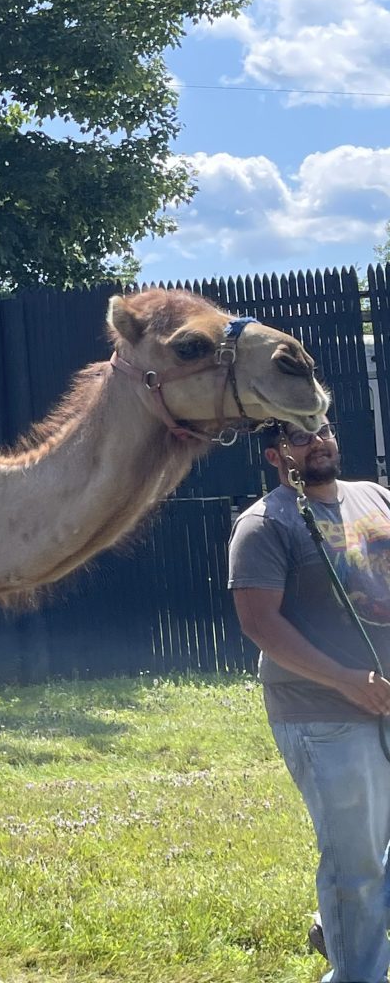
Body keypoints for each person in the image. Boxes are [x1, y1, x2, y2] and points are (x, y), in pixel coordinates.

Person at [229, 419, 390, 983]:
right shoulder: (264, 524)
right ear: (275, 455)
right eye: (300, 437)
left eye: (321, 429)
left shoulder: (376, 496)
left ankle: (335, 928)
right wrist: (345, 679)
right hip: (324, 716)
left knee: (365, 861)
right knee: (357, 864)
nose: (318, 441)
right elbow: (259, 624)